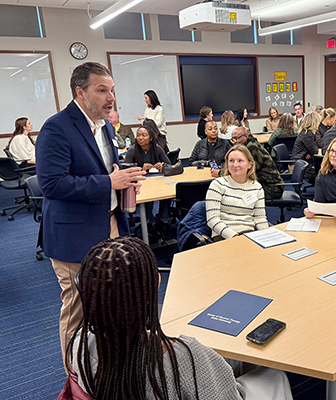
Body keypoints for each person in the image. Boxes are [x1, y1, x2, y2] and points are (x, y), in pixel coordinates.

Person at [68, 236, 293, 399]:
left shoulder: (80, 345)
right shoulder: (183, 356)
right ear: (153, 285)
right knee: (274, 376)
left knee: (232, 361)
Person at [36, 62, 145, 369]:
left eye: (112, 90)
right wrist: (110, 182)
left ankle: (106, 366)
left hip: (109, 223)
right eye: (102, 90)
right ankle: (75, 376)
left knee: (111, 299)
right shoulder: (56, 128)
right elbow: (52, 185)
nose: (110, 97)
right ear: (80, 92)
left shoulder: (106, 126)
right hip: (73, 235)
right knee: (79, 306)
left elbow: (105, 170)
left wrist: (125, 177)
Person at [206, 144, 269, 240]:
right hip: (223, 235)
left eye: (240, 161)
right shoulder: (217, 185)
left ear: (249, 164)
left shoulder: (257, 187)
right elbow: (212, 219)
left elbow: (260, 218)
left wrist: (267, 235)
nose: (235, 165)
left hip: (249, 234)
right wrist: (233, 236)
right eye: (231, 161)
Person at [229, 127, 284, 200]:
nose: (234, 142)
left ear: (245, 137)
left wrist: (221, 173)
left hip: (272, 188)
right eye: (233, 139)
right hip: (265, 184)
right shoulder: (249, 145)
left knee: (239, 195)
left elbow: (248, 172)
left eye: (236, 138)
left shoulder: (252, 148)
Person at [291, 112, 320, 183]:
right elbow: (315, 150)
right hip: (300, 163)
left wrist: (309, 152)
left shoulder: (306, 132)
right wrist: (311, 152)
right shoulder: (307, 134)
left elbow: (315, 147)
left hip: (302, 159)